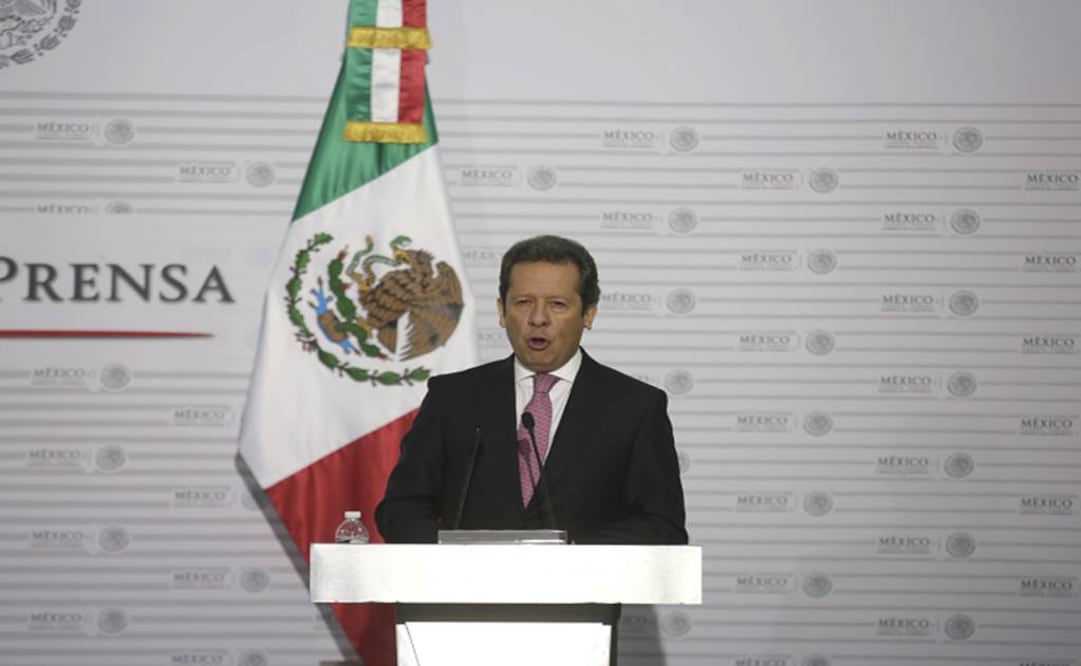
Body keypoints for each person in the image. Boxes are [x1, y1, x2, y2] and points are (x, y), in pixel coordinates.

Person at [375, 235, 687, 544]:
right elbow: (401, 509)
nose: (538, 319)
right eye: (523, 303)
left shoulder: (634, 407)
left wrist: (573, 557)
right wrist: (460, 555)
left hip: (583, 590)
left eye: (558, 305)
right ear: (501, 310)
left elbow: (662, 525)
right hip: (471, 590)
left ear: (588, 314)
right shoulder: (453, 398)